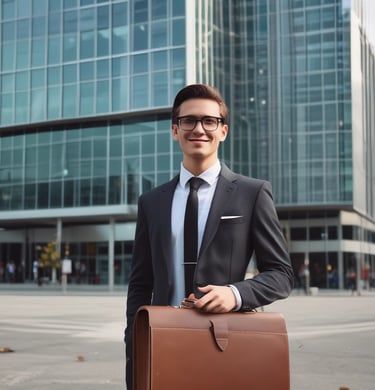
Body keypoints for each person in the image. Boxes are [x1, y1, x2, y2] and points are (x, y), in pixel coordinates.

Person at [125, 84, 294, 389]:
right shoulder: (151, 202)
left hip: (224, 341)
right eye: (188, 121)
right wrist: (133, 348)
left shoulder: (251, 193)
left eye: (209, 121)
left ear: (223, 131)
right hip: (162, 339)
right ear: (175, 130)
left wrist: (235, 293)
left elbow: (281, 274)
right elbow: (140, 283)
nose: (199, 129)